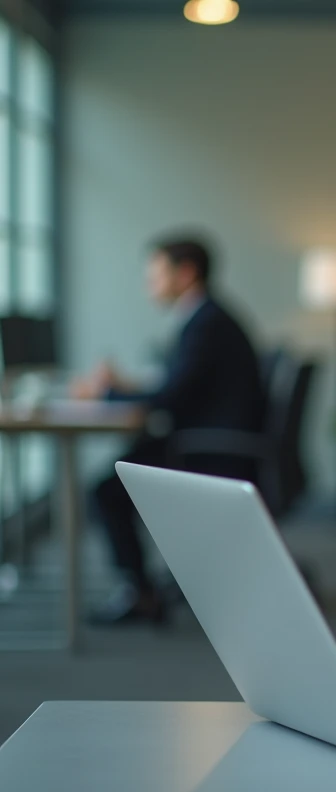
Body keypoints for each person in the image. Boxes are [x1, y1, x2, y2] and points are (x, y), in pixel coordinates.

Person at [74, 236, 265, 625]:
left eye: (156, 274)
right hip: (206, 442)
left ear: (187, 272)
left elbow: (170, 397)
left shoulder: (206, 324)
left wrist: (109, 392)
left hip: (209, 453)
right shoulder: (206, 318)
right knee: (119, 472)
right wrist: (125, 389)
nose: (150, 285)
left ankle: (139, 593)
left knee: (106, 491)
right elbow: (179, 386)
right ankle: (141, 588)